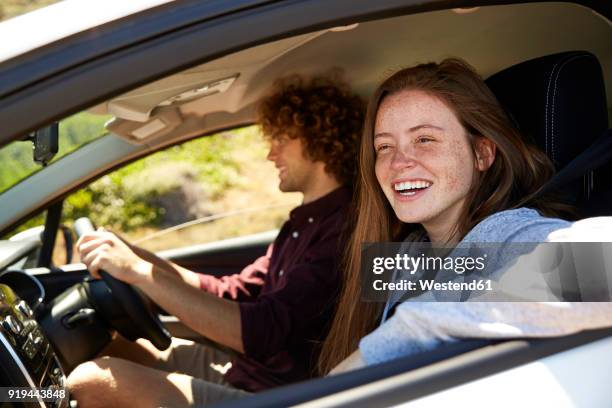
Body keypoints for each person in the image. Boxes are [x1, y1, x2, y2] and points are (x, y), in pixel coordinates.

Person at [67, 73, 365, 407]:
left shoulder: (342, 231)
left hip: (276, 395)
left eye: (282, 139)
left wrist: (137, 271)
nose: (271, 154)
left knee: (88, 382)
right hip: (244, 372)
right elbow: (232, 291)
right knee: (111, 345)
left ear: (321, 138)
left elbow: (263, 331)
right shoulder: (303, 222)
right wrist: (140, 258)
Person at [319, 58, 612, 375]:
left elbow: (604, 267)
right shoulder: (408, 251)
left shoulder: (505, 234)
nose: (398, 162)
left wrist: (410, 328)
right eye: (385, 146)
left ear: (482, 154)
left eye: (425, 139)